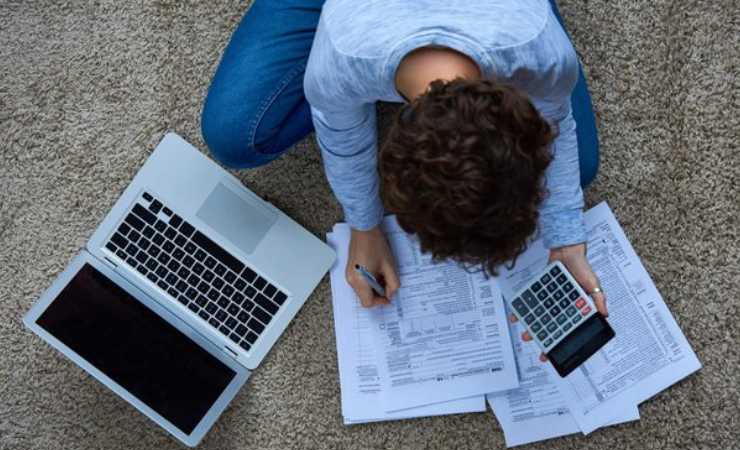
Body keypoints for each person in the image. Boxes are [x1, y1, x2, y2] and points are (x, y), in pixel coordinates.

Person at [201, 0, 608, 321]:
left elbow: (556, 123)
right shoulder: (346, 50)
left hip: (512, 23)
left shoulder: (536, 45)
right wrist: (365, 224)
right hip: (360, 25)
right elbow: (343, 137)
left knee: (576, 172)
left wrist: (567, 239)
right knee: (234, 136)